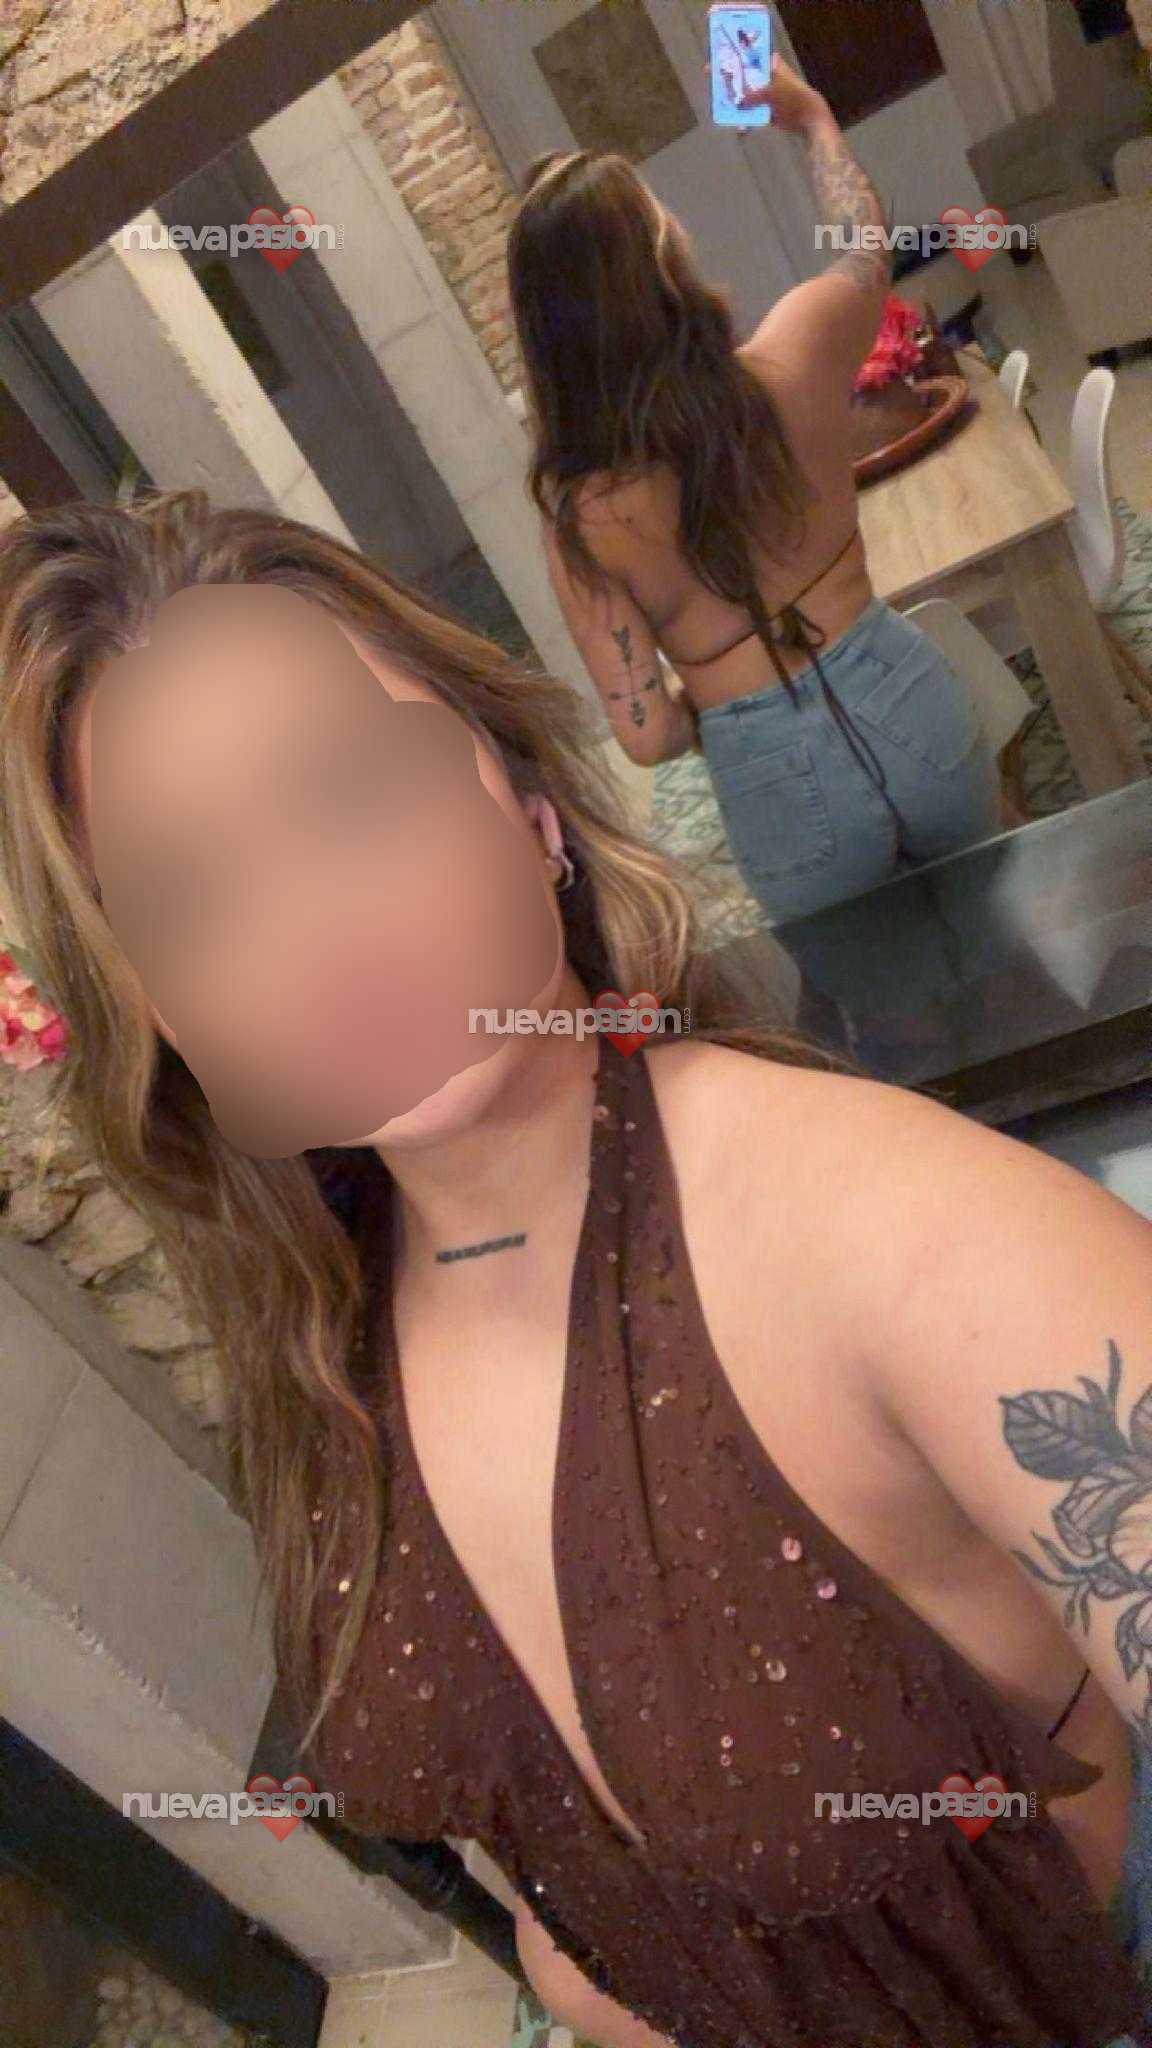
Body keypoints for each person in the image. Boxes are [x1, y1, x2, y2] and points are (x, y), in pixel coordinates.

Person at [2, 490, 1152, 2048]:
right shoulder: (325, 1337)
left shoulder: (886, 1234)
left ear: (529, 808)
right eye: (193, 899)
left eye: (352, 790)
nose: (314, 929)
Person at [506, 53, 1005, 945]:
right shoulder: (793, 353)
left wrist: (723, 699)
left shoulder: (582, 521)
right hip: (901, 692)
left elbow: (648, 736)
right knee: (1007, 927)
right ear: (663, 261)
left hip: (771, 774)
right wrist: (812, 119)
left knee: (888, 1004)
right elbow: (867, 246)